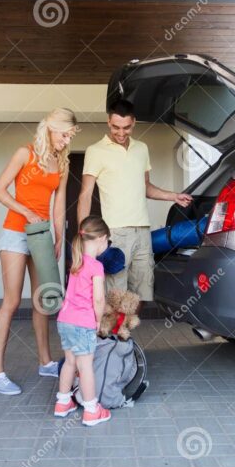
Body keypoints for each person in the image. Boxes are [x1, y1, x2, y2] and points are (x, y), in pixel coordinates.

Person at [0, 108, 77, 395]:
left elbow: (59, 204)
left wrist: (59, 238)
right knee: (11, 302)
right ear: (51, 128)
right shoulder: (24, 153)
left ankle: (45, 362)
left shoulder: (61, 163)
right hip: (15, 233)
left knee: (42, 301)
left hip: (41, 237)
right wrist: (26, 211)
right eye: (64, 134)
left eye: (70, 136)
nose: (66, 140)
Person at [77, 100, 192, 312]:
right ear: (108, 122)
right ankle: (112, 342)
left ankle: (125, 340)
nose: (121, 133)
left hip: (142, 231)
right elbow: (85, 195)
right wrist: (83, 235)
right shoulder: (96, 151)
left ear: (134, 123)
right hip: (114, 232)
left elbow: (145, 187)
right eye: (115, 127)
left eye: (126, 127)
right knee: (115, 296)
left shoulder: (142, 149)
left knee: (138, 297)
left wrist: (173, 196)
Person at [53, 215, 112, 426]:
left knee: (70, 362)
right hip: (82, 323)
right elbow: (98, 298)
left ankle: (62, 403)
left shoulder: (76, 262)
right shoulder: (96, 266)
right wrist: (98, 319)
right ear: (102, 239)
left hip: (65, 320)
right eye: (108, 242)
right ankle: (91, 409)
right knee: (86, 366)